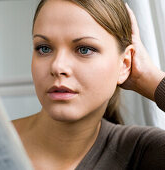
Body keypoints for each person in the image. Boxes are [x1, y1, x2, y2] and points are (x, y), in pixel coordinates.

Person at [12, 0, 165, 169]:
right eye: (44, 48)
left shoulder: (143, 152)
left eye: (84, 49)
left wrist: (149, 78)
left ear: (125, 64)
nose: (57, 66)